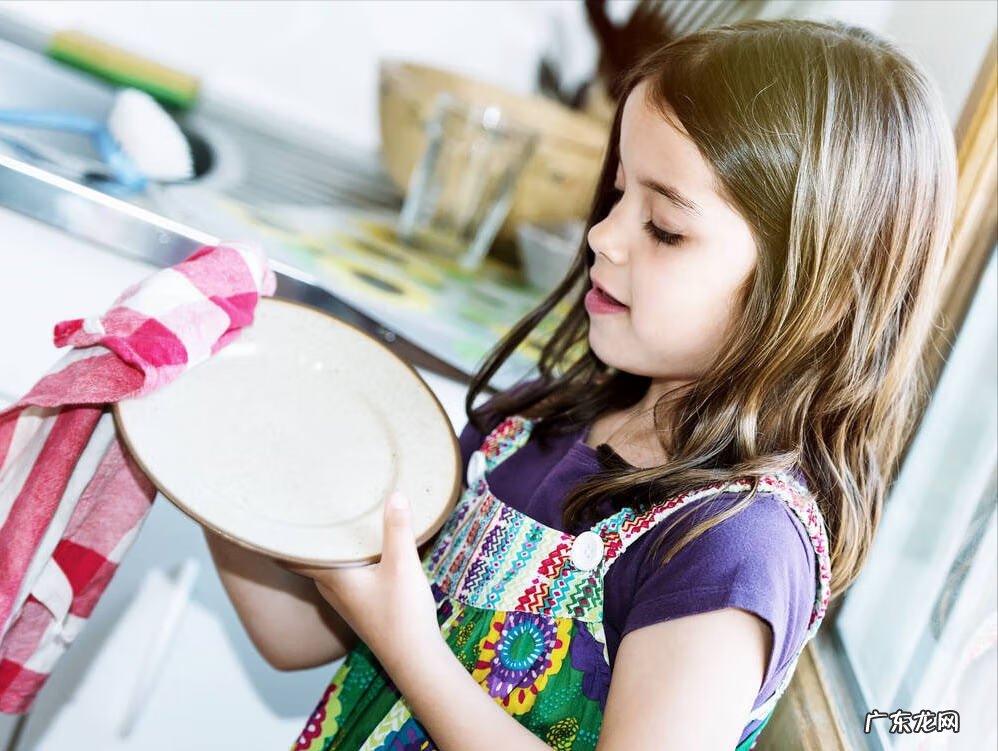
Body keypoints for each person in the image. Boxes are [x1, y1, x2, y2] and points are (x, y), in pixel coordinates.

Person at [203, 17, 957, 750]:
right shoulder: (531, 428)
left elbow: (398, 646)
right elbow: (295, 632)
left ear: (821, 297)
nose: (602, 235)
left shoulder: (731, 552)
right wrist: (204, 435)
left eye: (664, 226)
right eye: (617, 193)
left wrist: (413, 651)